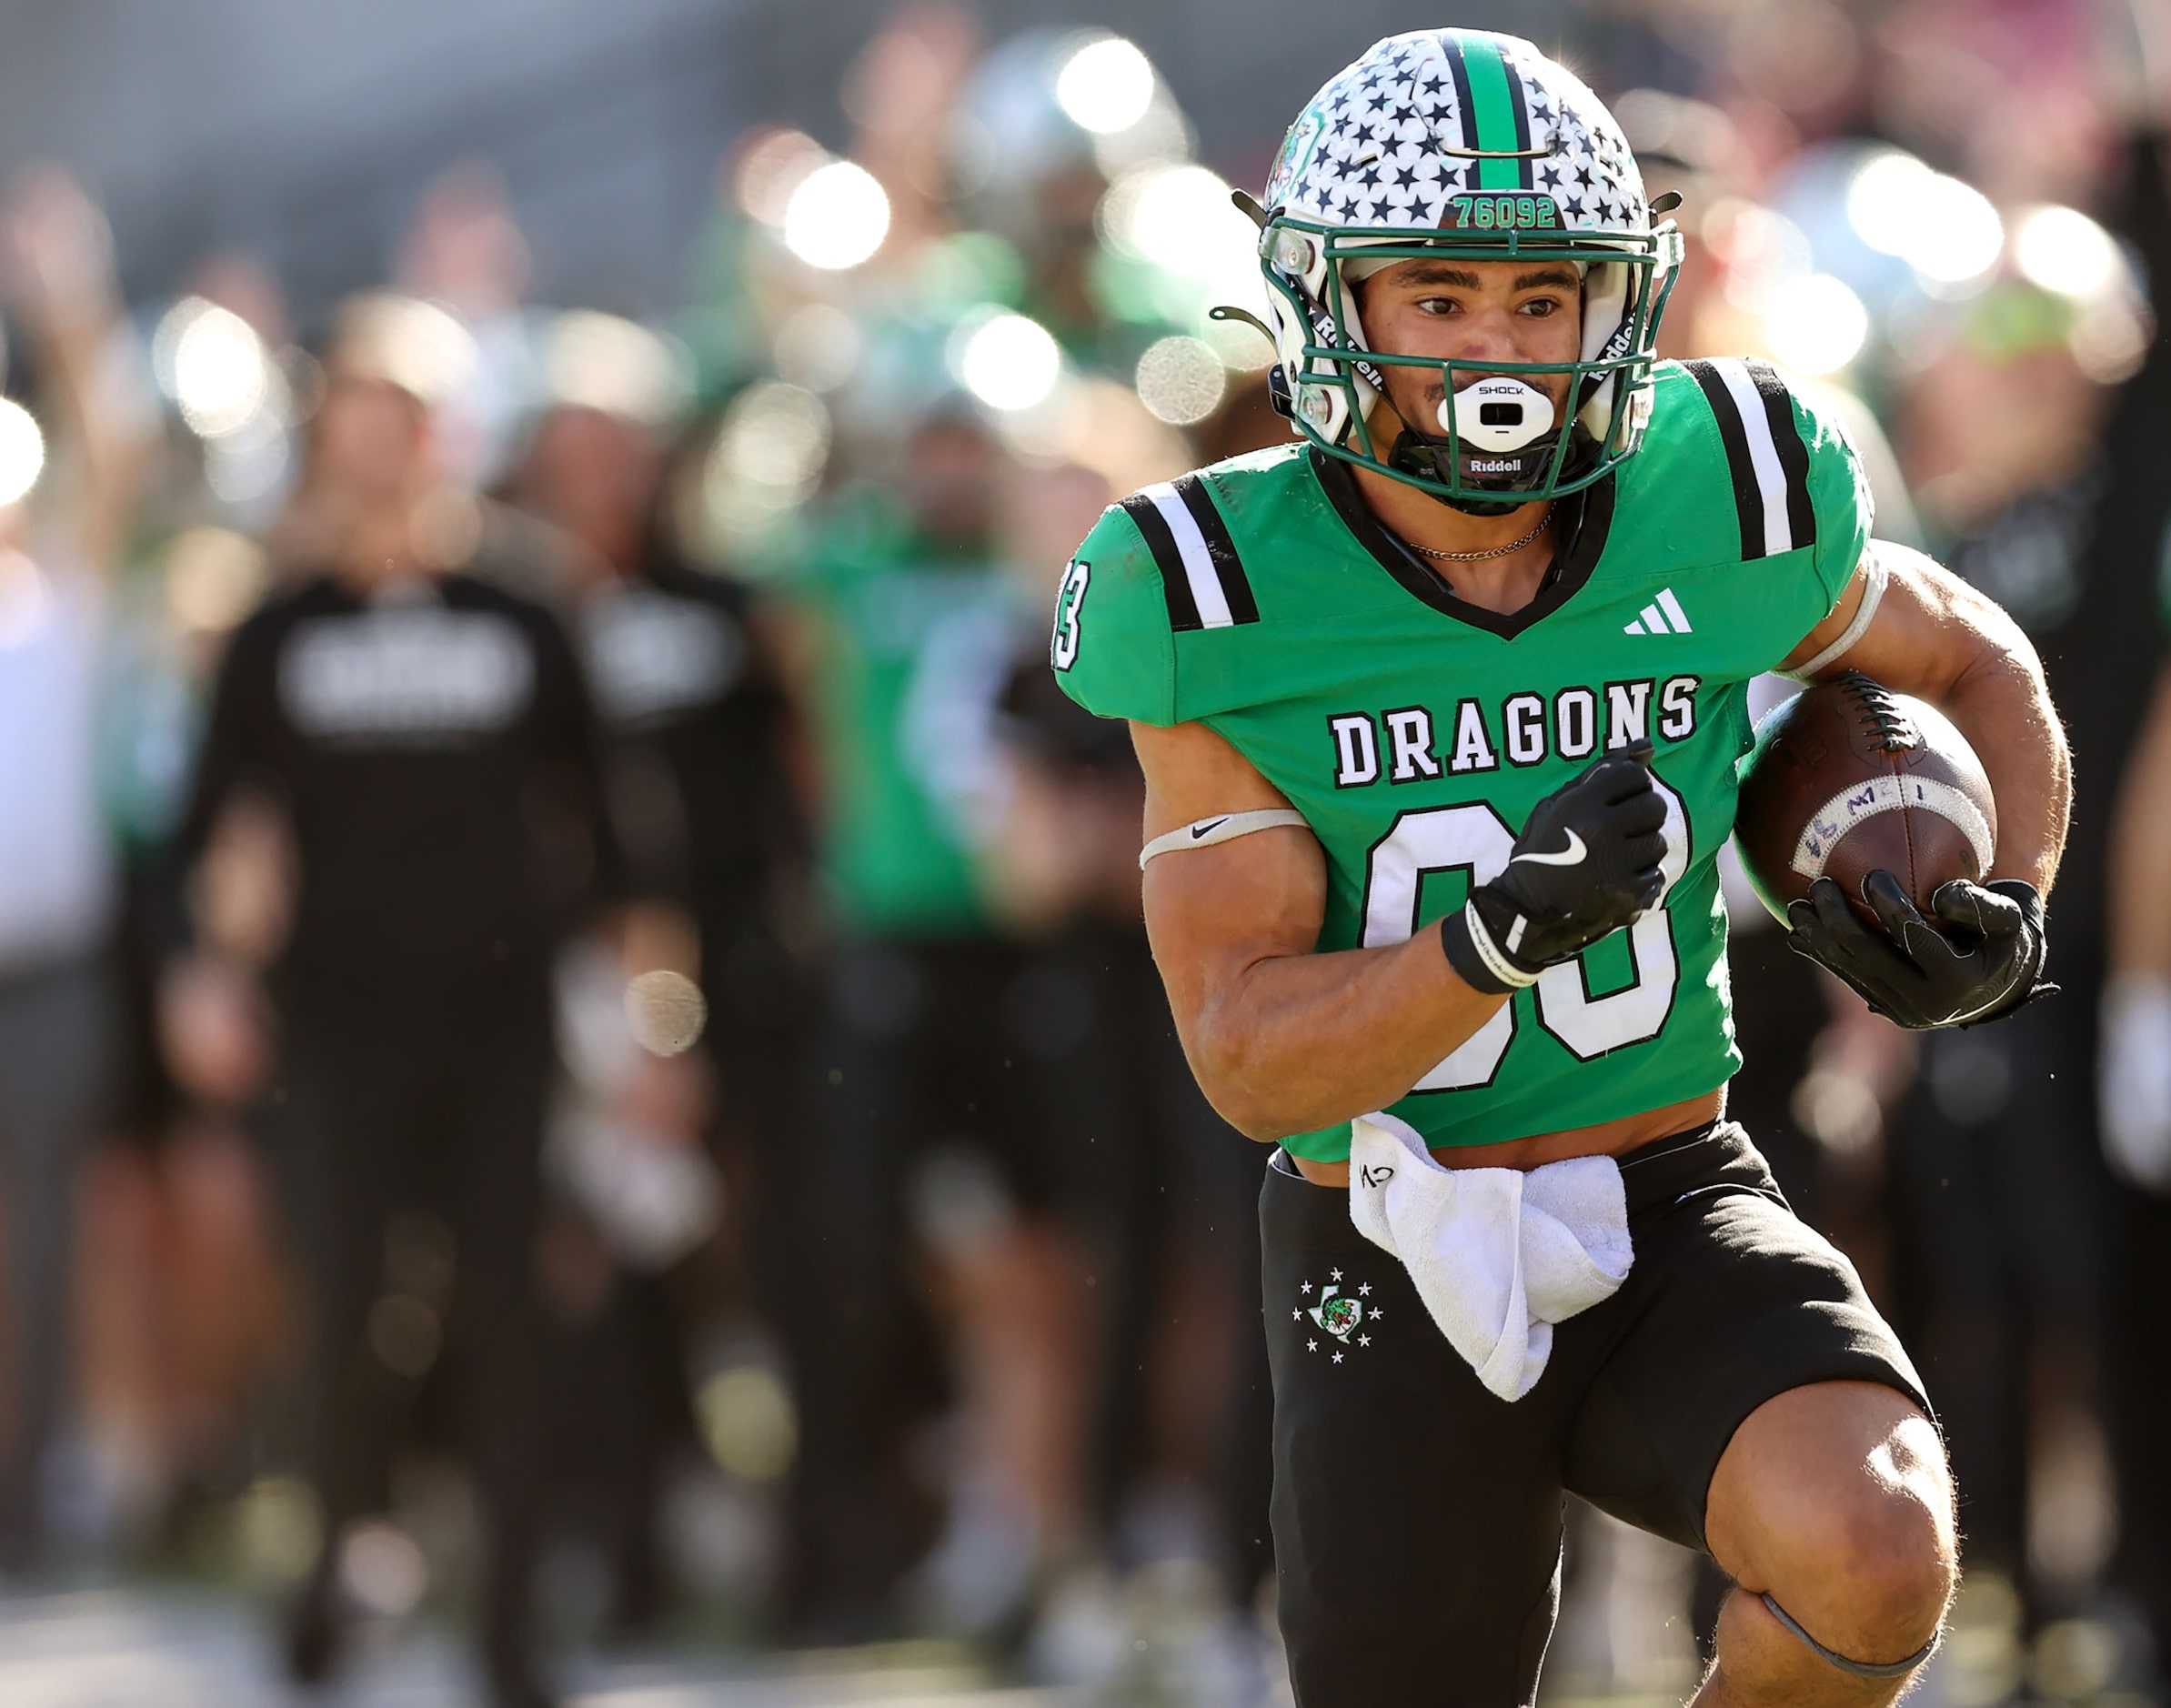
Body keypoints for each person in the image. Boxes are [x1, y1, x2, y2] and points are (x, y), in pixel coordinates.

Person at [1050, 30, 2067, 1706]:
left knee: (1878, 1546)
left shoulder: (1718, 488)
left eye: (1542, 297)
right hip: (1389, 1232)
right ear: (1330, 305)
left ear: (1621, 302)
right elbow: (1244, 1050)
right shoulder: (1221, 591)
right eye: (1437, 299)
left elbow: (1974, 658)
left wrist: (2008, 896)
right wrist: (1500, 937)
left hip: (1678, 1190)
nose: (1498, 348)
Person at [173, 294, 616, 1708]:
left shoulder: (527, 606)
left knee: (504, 1306)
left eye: (403, 427)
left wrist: (644, 1011)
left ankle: (506, 1626)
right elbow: (212, 834)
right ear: (322, 447)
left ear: (444, 439)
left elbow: (606, 825)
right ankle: (329, 1567)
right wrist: (213, 965)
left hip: (499, 1020)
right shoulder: (274, 631)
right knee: (352, 1302)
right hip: (338, 1027)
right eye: (353, 431)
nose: (378, 458)